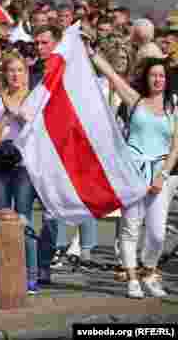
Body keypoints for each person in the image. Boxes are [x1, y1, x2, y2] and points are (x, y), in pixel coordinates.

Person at [89, 53, 178, 299]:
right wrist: (93, 53)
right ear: (147, 78)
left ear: (166, 79)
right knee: (130, 228)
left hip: (161, 175)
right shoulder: (136, 101)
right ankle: (132, 278)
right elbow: (112, 76)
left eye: (161, 76)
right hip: (133, 173)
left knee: (157, 233)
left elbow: (176, 148)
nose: (158, 79)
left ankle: (149, 271)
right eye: (153, 75)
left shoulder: (174, 107)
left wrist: (163, 175)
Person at [0, 52, 40, 293]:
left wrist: (17, 111)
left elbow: (35, 128)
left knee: (24, 218)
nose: (15, 75)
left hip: (24, 167)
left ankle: (31, 275)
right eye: (11, 71)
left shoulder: (35, 99)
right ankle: (2, 273)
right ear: (5, 74)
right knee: (1, 219)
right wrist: (6, 114)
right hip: (0, 165)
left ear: (26, 74)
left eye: (20, 70)